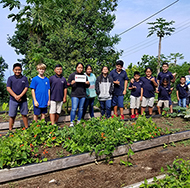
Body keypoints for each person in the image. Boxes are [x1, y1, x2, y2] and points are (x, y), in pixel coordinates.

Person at [6, 63, 29, 130]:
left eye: (19, 70)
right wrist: (16, 96)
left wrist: (20, 96)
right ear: (13, 70)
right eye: (16, 70)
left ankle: (27, 128)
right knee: (12, 116)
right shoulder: (10, 78)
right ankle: (10, 130)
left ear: (21, 70)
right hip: (13, 100)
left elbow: (26, 88)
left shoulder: (24, 78)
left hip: (23, 100)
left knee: (24, 115)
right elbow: (8, 88)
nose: (17, 71)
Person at [68, 63, 90, 127]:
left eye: (81, 68)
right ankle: (72, 122)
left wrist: (88, 83)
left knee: (81, 109)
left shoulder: (84, 76)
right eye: (79, 67)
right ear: (76, 68)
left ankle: (79, 121)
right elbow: (68, 84)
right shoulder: (72, 75)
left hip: (82, 94)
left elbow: (87, 86)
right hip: (75, 94)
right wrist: (71, 83)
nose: (80, 69)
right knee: (74, 109)